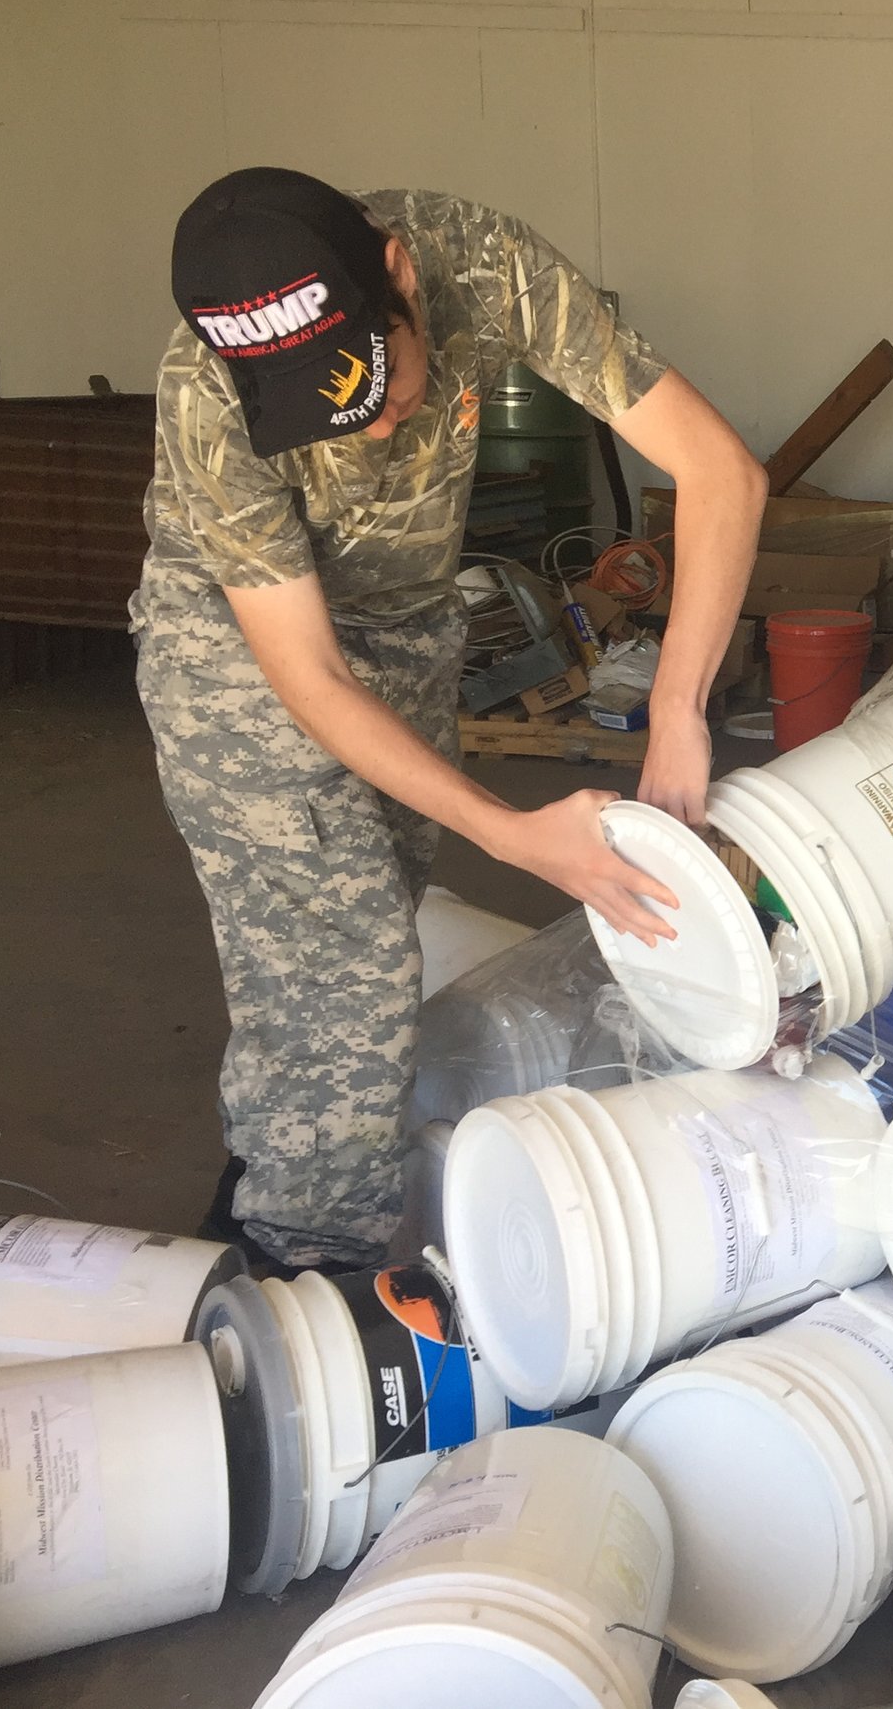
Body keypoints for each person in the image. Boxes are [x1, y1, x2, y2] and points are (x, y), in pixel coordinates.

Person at [139, 167, 766, 1272]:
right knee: (348, 967)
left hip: (406, 623)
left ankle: (263, 1180)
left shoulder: (481, 263)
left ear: (398, 273)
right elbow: (310, 678)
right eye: (332, 411)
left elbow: (721, 471)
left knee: (367, 926)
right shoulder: (207, 398)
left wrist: (677, 710)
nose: (377, 424)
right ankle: (306, 1295)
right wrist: (510, 831)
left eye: (377, 379)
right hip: (243, 652)